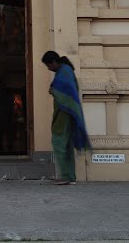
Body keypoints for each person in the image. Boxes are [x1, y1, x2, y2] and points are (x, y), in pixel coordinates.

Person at [41, 50, 91, 184]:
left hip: (64, 113)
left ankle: (66, 176)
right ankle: (69, 176)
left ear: (54, 62)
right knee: (66, 144)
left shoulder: (65, 71)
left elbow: (66, 89)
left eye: (48, 65)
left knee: (59, 142)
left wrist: (53, 90)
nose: (49, 68)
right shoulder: (64, 70)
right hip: (65, 112)